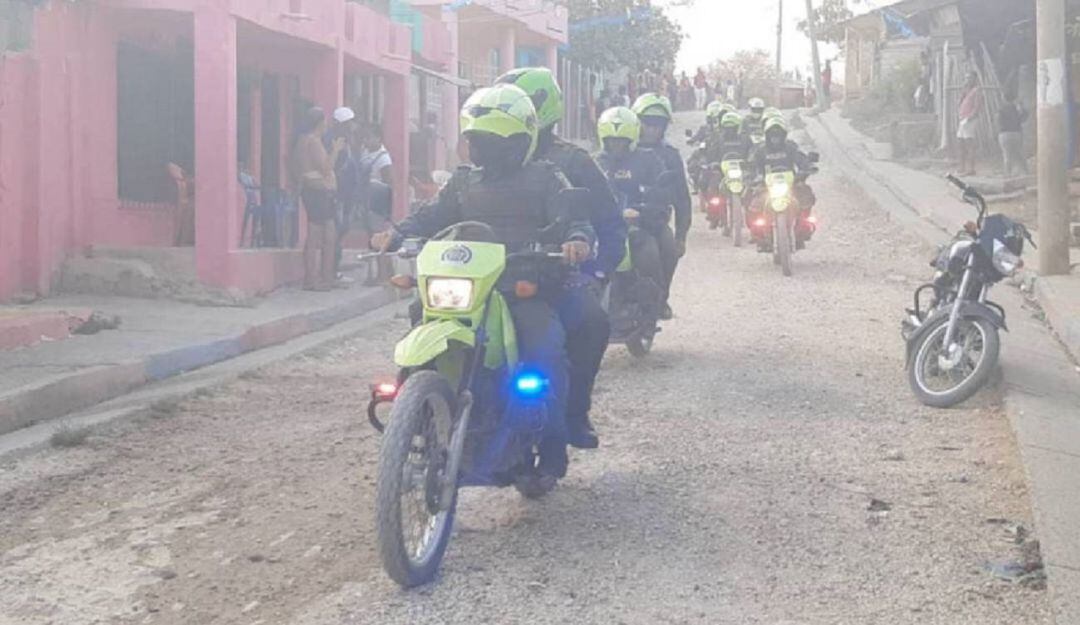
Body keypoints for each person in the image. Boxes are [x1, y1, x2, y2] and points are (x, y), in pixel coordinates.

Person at [371, 84, 594, 487]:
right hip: (466, 287)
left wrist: (576, 239)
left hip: (519, 287)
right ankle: (414, 416)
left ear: (520, 141)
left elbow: (575, 218)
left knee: (545, 350)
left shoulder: (547, 178)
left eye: (492, 142)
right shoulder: (463, 183)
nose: (481, 149)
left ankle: (552, 448)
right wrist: (398, 232)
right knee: (419, 312)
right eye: (477, 140)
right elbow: (430, 216)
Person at [496, 66, 623, 450]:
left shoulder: (574, 162)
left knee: (592, 323)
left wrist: (596, 272)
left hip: (557, 276)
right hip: (492, 275)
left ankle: (573, 413)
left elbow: (609, 223)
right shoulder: (489, 159)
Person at [631, 93, 691, 320]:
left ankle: (660, 299)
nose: (652, 129)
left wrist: (681, 236)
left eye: (658, 124)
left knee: (668, 251)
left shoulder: (670, 156)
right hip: (618, 221)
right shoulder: (620, 148)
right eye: (647, 123)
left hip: (655, 223)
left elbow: (682, 198)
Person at [594, 106, 666, 296]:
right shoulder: (592, 163)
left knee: (657, 248)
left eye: (621, 142)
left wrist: (641, 211)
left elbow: (660, 193)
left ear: (632, 139)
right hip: (602, 229)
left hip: (640, 225)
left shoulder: (649, 160)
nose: (616, 146)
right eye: (612, 141)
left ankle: (657, 298)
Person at [292, 106, 346, 291]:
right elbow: (326, 168)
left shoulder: (302, 140)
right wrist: (336, 150)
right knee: (324, 235)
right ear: (320, 123)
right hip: (318, 193)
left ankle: (320, 277)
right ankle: (318, 278)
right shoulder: (313, 141)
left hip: (312, 191)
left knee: (319, 234)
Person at [748, 116, 817, 248]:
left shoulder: (790, 147)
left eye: (778, 135)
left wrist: (807, 168)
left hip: (790, 185)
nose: (775, 138)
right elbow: (752, 165)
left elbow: (801, 160)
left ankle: (803, 226)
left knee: (805, 194)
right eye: (772, 135)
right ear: (767, 135)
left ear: (783, 135)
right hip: (767, 186)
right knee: (754, 203)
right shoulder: (760, 150)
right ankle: (759, 233)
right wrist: (753, 176)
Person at [328, 106, 362, 280]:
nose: (352, 126)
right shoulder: (335, 143)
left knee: (341, 231)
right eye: (348, 123)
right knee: (336, 232)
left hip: (348, 195)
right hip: (339, 194)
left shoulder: (349, 142)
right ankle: (331, 270)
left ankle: (334, 270)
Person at [998, 90, 1029, 177]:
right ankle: (1024, 172)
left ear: (1004, 98)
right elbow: (1024, 117)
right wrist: (1021, 107)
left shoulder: (1001, 109)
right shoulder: (1016, 108)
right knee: (1019, 153)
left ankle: (1008, 173)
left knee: (1007, 155)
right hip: (1016, 133)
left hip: (1004, 134)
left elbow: (998, 121)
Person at [957, 72, 981, 176]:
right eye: (966, 78)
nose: (967, 80)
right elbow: (959, 102)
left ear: (975, 79)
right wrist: (963, 92)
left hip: (969, 120)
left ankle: (971, 169)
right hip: (962, 119)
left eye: (969, 78)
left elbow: (977, 106)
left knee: (969, 144)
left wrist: (970, 117)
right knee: (961, 143)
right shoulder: (966, 91)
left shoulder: (977, 91)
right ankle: (962, 167)